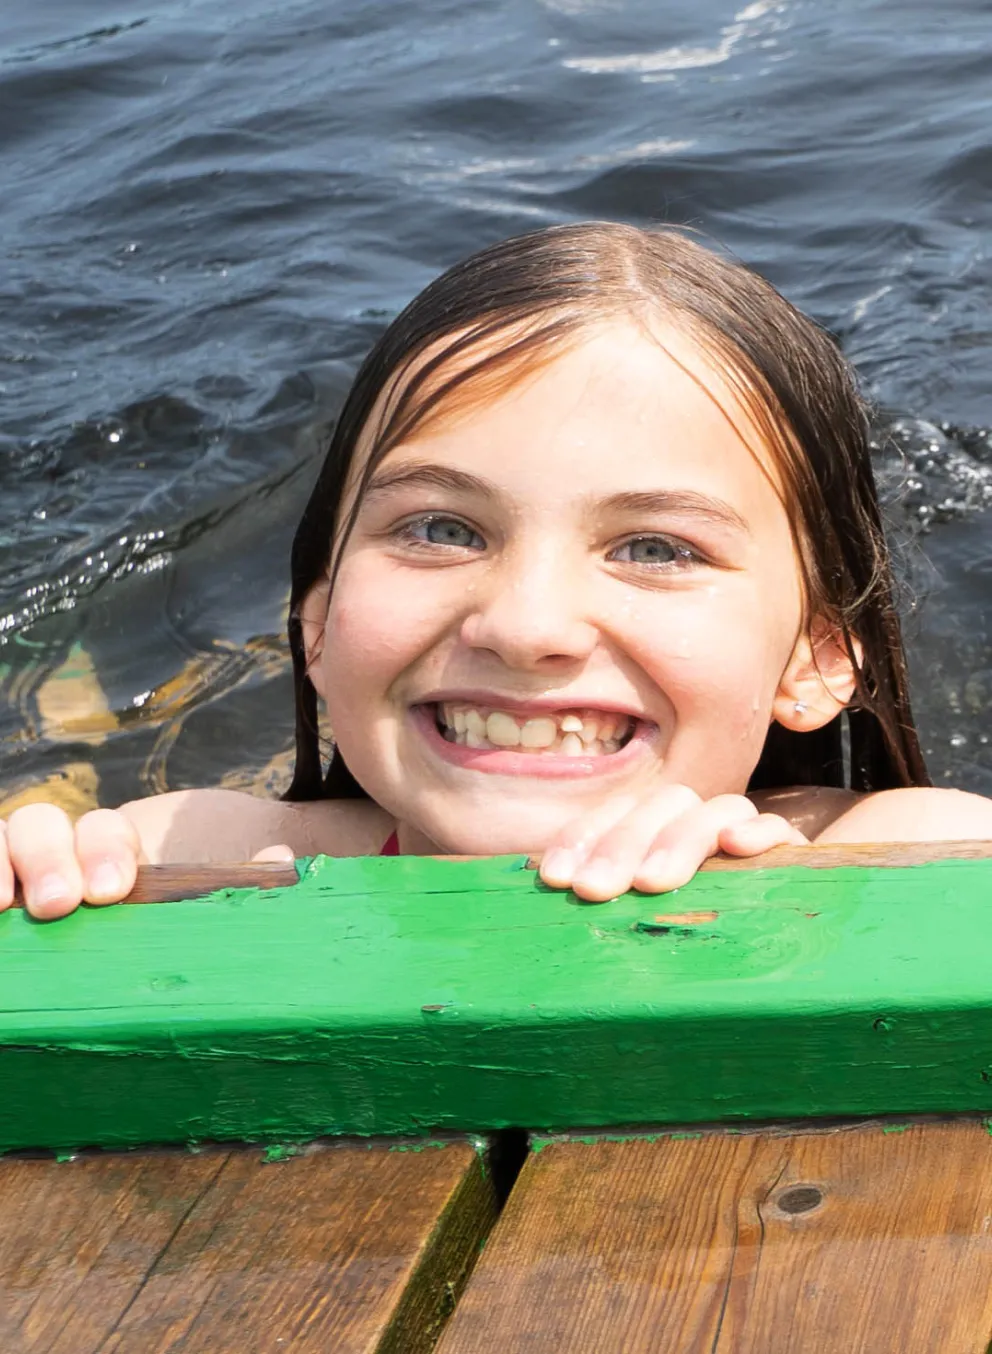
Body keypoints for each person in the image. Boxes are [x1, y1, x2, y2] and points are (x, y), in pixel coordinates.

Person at [4, 222, 992, 919]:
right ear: (314, 623)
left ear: (815, 657)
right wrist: (39, 877)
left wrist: (812, 918)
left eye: (653, 548)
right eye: (440, 529)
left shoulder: (910, 852)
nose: (523, 626)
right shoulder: (195, 848)